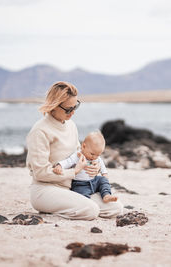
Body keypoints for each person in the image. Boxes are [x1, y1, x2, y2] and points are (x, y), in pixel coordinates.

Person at [26, 81, 123, 220]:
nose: (72, 113)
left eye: (75, 107)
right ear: (54, 105)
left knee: (116, 208)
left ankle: (68, 206)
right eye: (68, 109)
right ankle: (52, 210)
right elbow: (40, 173)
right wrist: (74, 172)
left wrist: (93, 165)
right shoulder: (40, 131)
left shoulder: (71, 125)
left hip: (72, 188)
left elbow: (79, 155)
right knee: (91, 210)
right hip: (45, 190)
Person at [52, 131, 118, 203]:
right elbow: (67, 161)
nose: (94, 157)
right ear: (83, 146)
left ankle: (106, 195)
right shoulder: (77, 155)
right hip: (80, 184)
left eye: (98, 155)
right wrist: (59, 166)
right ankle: (86, 203)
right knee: (82, 196)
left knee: (103, 180)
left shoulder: (96, 158)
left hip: (94, 181)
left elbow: (103, 168)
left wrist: (105, 176)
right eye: (92, 154)